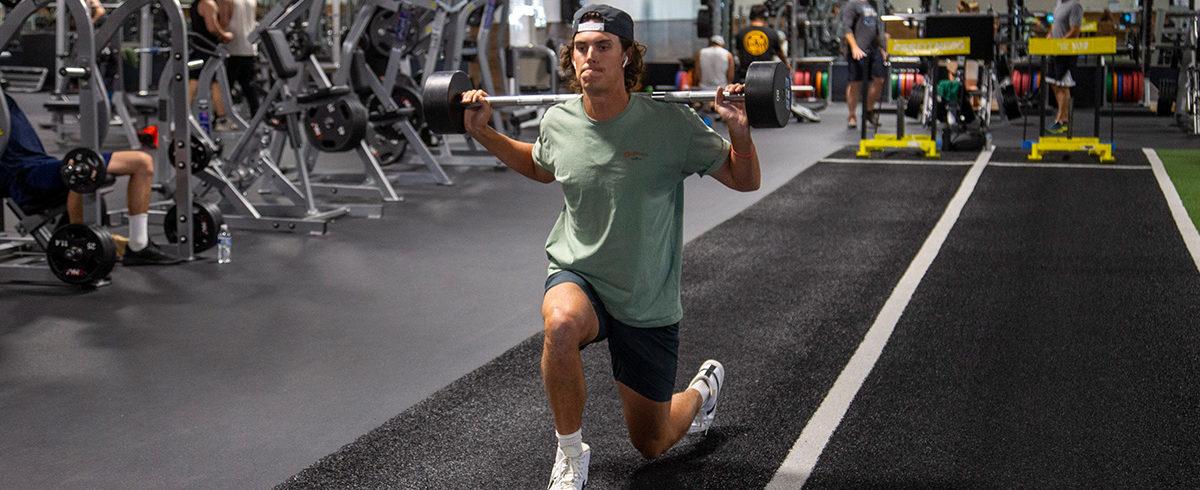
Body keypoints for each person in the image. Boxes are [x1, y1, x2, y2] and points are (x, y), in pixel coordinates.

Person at [458, 4, 761, 488]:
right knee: (559, 322)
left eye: (603, 47)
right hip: (580, 273)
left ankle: (702, 392)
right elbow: (541, 166)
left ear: (626, 57)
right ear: (570, 55)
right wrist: (483, 132)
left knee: (653, 442)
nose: (590, 57)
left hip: (646, 297)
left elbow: (745, 180)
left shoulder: (671, 123)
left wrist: (739, 129)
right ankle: (571, 454)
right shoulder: (558, 120)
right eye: (581, 48)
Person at [0, 95, 182, 265]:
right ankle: (80, 246)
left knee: (142, 162)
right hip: (23, 177)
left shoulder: (4, 99)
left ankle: (139, 245)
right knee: (83, 171)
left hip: (41, 165)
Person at [842, 0, 887, 129]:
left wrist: (882, 48)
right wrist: (854, 47)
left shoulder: (872, 5)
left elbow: (877, 29)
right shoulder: (852, 5)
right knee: (855, 83)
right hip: (858, 49)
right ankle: (852, 115)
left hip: (874, 49)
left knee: (879, 80)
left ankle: (868, 111)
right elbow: (847, 28)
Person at [188, 0, 231, 128]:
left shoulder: (198, 4)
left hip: (201, 48)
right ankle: (221, 120)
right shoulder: (208, 4)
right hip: (208, 49)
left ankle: (221, 119)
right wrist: (225, 35)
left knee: (208, 84)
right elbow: (212, 27)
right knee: (202, 83)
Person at [1045, 0, 1083, 134]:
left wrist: (1060, 43)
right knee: (1054, 84)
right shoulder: (1058, 4)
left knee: (1063, 85)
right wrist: (1050, 36)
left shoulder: (1075, 6)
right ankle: (1063, 118)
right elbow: (1055, 25)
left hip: (1066, 53)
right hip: (1054, 51)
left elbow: (1075, 31)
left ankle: (1061, 120)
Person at [219, 0, 261, 119]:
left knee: (225, 86)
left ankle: (222, 117)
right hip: (249, 47)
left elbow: (224, 21)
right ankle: (256, 115)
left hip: (232, 47)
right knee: (249, 84)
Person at [733, 4, 789, 83]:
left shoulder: (741, 34)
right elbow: (780, 54)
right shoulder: (772, 33)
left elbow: (739, 54)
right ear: (765, 17)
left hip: (746, 77)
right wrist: (787, 65)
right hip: (766, 77)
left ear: (751, 16)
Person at [695, 35, 736, 115]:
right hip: (721, 91)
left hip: (703, 91)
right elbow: (730, 76)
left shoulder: (700, 53)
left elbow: (697, 73)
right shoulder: (727, 54)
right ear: (722, 44)